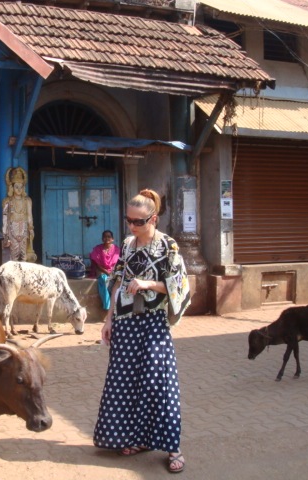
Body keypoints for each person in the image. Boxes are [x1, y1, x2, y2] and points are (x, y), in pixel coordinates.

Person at [93, 188, 190, 474]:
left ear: (153, 219)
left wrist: (149, 284)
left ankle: (173, 447)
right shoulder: (126, 245)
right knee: (125, 382)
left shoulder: (168, 247)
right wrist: (109, 320)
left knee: (159, 382)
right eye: (129, 220)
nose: (132, 226)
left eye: (139, 221)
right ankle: (137, 439)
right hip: (125, 323)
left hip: (153, 323)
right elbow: (117, 281)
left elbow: (179, 285)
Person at [2, 167, 36, 262]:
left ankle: (23, 270)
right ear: (12, 187)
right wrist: (5, 234)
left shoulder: (27, 201)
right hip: (12, 229)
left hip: (24, 228)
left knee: (24, 255)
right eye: (16, 187)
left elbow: (29, 216)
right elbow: (5, 218)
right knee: (14, 255)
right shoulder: (7, 201)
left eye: (21, 187)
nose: (19, 189)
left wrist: (31, 229)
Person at [89, 230, 121, 310]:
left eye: (109, 237)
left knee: (117, 283)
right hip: (101, 271)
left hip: (114, 271)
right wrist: (107, 272)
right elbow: (97, 265)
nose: (107, 238)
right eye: (105, 237)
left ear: (112, 239)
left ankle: (117, 305)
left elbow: (118, 263)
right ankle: (108, 306)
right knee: (104, 280)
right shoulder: (98, 249)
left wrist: (112, 272)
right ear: (102, 238)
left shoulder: (116, 250)